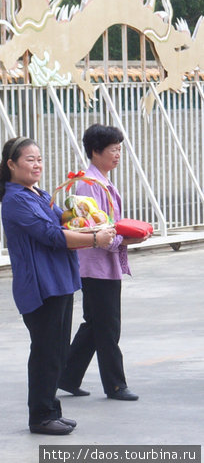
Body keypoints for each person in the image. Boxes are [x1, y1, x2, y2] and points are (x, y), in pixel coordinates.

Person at [0, 136, 115, 435]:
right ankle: (40, 416)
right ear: (11, 164)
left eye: (39, 159)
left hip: (59, 281)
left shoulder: (37, 193)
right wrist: (93, 239)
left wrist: (84, 215)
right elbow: (50, 235)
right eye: (29, 160)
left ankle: (51, 410)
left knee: (58, 351)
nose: (36, 165)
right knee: (46, 353)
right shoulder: (16, 199)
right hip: (40, 285)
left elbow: (61, 223)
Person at [59, 125, 146, 401]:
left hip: (101, 264)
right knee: (107, 326)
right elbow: (90, 228)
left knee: (95, 324)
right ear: (96, 152)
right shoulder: (89, 183)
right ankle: (115, 385)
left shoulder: (100, 180)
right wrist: (123, 240)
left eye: (120, 149)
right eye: (113, 150)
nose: (118, 155)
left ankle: (67, 376)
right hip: (94, 265)